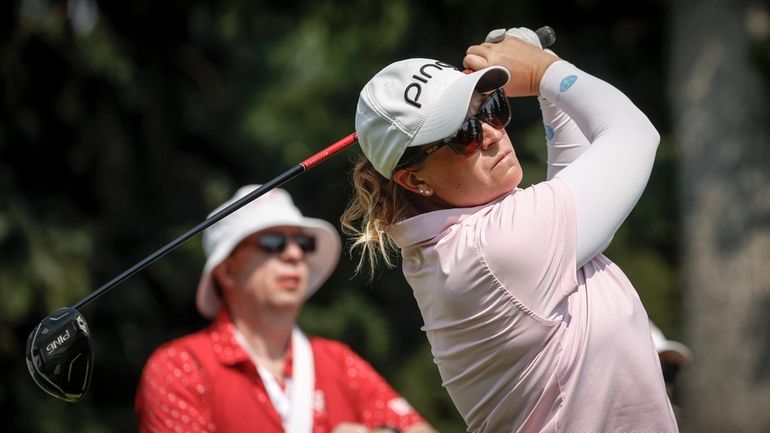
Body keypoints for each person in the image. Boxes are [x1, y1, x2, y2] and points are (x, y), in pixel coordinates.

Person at [341, 27, 678, 433]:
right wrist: (545, 72)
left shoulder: (459, 242)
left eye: (491, 107)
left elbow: (578, 183)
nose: (491, 133)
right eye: (462, 135)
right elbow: (635, 134)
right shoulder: (491, 249)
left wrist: (547, 92)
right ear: (415, 181)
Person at [136, 185, 437, 433]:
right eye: (272, 241)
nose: (294, 253)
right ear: (226, 270)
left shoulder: (339, 361)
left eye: (303, 243)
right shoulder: (181, 367)